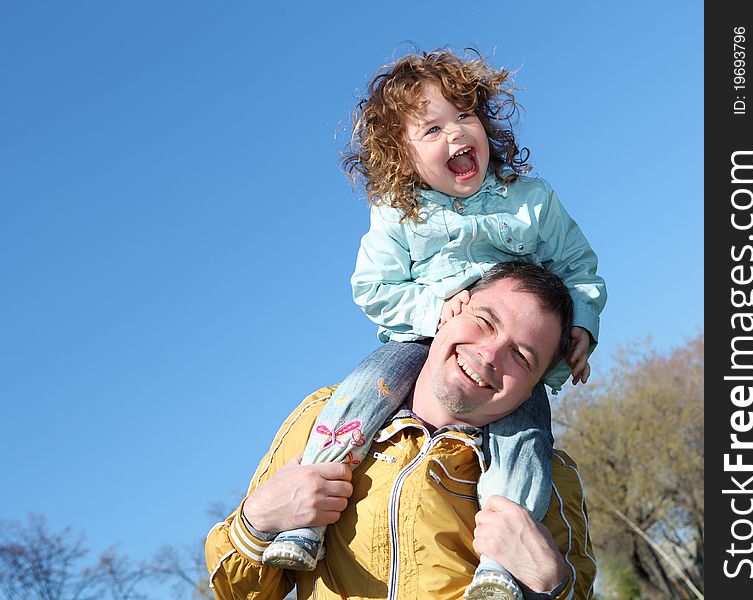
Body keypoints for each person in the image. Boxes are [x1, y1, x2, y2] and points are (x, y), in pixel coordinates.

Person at [260, 48, 606, 600]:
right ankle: (308, 518)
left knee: (526, 440)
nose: (455, 134)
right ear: (402, 157)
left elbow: (576, 266)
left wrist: (582, 324)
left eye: (465, 116)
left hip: (514, 353)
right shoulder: (399, 216)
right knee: (358, 396)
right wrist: (434, 309)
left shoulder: (530, 202)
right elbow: (371, 288)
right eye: (432, 128)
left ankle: (501, 563)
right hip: (416, 342)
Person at [205, 262, 597, 600]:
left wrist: (550, 584)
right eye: (484, 321)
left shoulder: (548, 479)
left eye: (521, 356)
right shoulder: (324, 420)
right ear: (450, 311)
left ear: (534, 389)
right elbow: (236, 591)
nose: (490, 355)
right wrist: (255, 523)